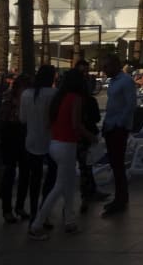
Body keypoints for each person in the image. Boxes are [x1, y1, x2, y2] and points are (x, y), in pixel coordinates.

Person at [29, 69, 96, 240]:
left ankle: (70, 221)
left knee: (68, 184)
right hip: (67, 145)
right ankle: (37, 224)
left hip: (55, 144)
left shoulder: (59, 97)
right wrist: (91, 136)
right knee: (59, 186)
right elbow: (76, 124)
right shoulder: (76, 98)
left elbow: (49, 122)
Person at [20, 64, 57, 225]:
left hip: (32, 140)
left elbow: (22, 119)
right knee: (51, 179)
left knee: (34, 179)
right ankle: (44, 211)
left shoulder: (26, 94)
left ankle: (34, 213)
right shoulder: (54, 94)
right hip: (51, 141)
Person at [101, 54, 137, 217]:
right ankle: (120, 197)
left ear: (116, 65)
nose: (104, 69)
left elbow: (130, 105)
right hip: (111, 126)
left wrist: (119, 124)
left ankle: (121, 198)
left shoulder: (126, 81)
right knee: (115, 164)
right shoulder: (113, 82)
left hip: (118, 128)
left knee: (118, 164)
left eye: (107, 66)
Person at [0, 74, 31, 223]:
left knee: (25, 174)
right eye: (25, 87)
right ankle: (7, 210)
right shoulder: (8, 99)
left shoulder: (29, 99)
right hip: (10, 135)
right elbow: (2, 119)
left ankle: (20, 206)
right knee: (9, 175)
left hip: (24, 135)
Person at [74, 60, 104, 213]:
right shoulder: (80, 97)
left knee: (87, 165)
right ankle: (86, 195)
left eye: (87, 71)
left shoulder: (82, 94)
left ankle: (90, 192)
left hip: (84, 134)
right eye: (83, 72)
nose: (86, 75)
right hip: (81, 135)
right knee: (85, 166)